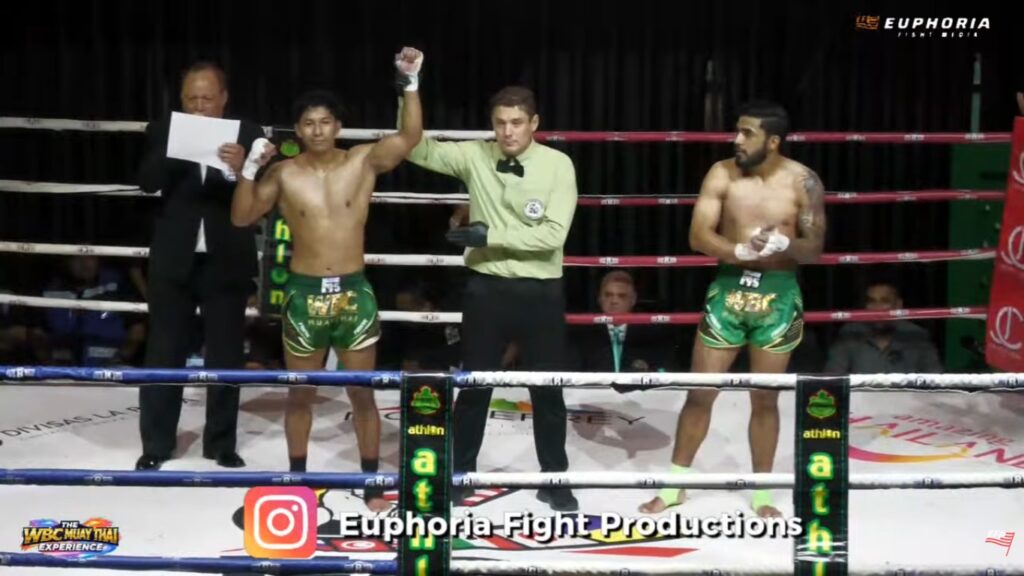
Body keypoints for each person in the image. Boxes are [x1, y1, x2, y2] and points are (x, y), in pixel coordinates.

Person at [230, 47, 424, 512]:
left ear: (337, 125)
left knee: (362, 392)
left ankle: (372, 483)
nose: (317, 130)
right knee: (300, 393)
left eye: (325, 122)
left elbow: (410, 136)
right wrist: (249, 169)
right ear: (298, 130)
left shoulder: (362, 162)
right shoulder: (283, 174)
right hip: (304, 295)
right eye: (308, 123)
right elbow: (241, 217)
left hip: (353, 292)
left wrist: (411, 84)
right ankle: (298, 479)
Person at [639, 101, 826, 517]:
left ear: (773, 141)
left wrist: (784, 245)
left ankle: (761, 495)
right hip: (727, 291)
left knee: (765, 399)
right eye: (737, 131)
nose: (736, 139)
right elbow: (698, 235)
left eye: (747, 133)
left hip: (778, 296)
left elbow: (814, 248)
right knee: (700, 393)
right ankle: (673, 488)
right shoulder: (721, 173)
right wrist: (740, 250)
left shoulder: (804, 181)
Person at [402, 85, 579, 512]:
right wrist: (410, 88)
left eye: (516, 122)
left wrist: (489, 235)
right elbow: (414, 146)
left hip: (540, 290)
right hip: (487, 287)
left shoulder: (558, 165)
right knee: (474, 387)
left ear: (534, 123)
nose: (508, 131)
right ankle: (460, 474)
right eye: (500, 123)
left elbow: (553, 235)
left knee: (548, 392)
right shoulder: (475, 155)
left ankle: (555, 480)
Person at [135, 61, 263, 471]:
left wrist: (245, 166)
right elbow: (147, 181)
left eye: (207, 98)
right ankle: (157, 444)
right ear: (181, 100)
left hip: (227, 258)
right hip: (174, 258)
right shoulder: (163, 129)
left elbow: (267, 191)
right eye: (192, 98)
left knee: (225, 353)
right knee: (164, 350)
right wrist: (178, 149)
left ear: (224, 98)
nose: (200, 106)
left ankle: (221, 444)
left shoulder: (248, 133)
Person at [825, 280, 943, 374]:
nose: (877, 308)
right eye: (872, 301)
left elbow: (935, 381)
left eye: (884, 301)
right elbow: (833, 379)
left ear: (898, 305)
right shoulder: (850, 334)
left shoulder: (916, 335)